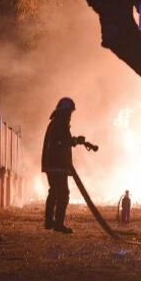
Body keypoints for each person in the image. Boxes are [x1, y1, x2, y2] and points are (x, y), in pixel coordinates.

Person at [41, 97, 84, 234]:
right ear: (65, 111)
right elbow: (64, 141)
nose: (71, 115)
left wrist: (75, 141)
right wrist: (76, 140)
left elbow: (62, 141)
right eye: (70, 112)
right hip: (57, 165)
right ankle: (58, 224)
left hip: (53, 164)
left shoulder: (56, 122)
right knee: (63, 194)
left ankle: (49, 221)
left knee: (54, 191)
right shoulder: (60, 123)